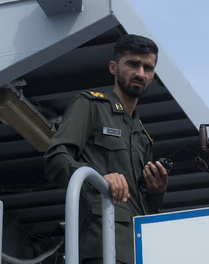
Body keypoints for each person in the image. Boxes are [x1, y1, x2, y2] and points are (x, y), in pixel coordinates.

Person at [43, 34, 168, 264]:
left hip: (138, 252)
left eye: (148, 67)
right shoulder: (91, 105)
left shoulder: (143, 136)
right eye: (133, 64)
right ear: (113, 67)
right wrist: (98, 179)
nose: (141, 73)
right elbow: (56, 159)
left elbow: (142, 207)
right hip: (100, 247)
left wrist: (155, 192)